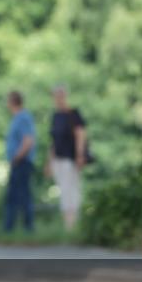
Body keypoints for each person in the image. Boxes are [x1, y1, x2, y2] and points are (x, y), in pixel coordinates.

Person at [45, 85, 87, 231]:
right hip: (58, 159)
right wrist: (49, 162)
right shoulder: (56, 116)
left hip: (70, 158)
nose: (57, 99)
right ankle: (68, 225)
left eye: (60, 95)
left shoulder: (73, 114)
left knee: (72, 190)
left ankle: (73, 224)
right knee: (64, 190)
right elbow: (53, 142)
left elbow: (80, 135)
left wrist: (80, 155)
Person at [3, 91, 36, 232]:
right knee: (13, 196)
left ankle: (26, 228)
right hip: (18, 162)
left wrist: (16, 158)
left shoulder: (23, 118)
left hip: (21, 163)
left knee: (22, 196)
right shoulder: (17, 118)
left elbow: (28, 141)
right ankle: (9, 228)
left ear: (12, 102)